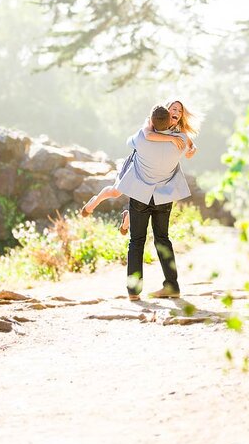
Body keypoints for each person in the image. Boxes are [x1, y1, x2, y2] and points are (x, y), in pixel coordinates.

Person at [82, 105, 192, 301]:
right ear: (170, 121)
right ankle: (172, 286)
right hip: (164, 197)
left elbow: (134, 139)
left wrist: (151, 125)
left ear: (151, 121)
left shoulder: (141, 138)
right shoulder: (181, 141)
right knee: (163, 240)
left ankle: (134, 291)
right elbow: (188, 144)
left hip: (141, 195)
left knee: (136, 242)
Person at [84, 99, 199, 235]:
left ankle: (126, 220)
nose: (177, 112)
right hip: (137, 163)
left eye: (180, 111)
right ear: (167, 110)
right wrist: (172, 139)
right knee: (116, 192)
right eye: (174, 109)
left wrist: (193, 149)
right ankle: (94, 202)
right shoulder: (152, 121)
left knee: (144, 198)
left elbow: (190, 145)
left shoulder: (179, 131)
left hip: (155, 170)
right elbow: (148, 135)